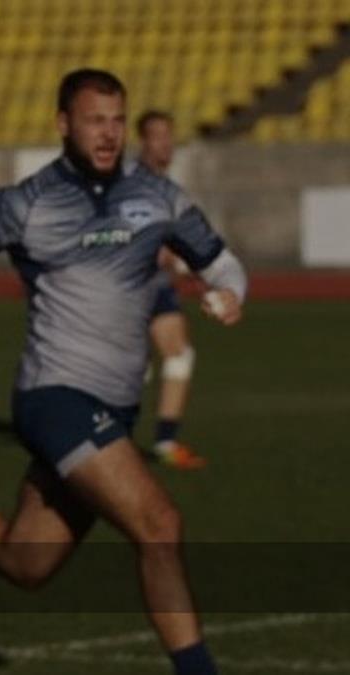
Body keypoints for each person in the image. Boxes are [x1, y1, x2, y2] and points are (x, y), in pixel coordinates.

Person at [0, 69, 247, 675]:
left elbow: (222, 263)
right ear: (64, 124)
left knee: (25, 560)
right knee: (159, 525)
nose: (108, 133)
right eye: (94, 121)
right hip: (54, 397)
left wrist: (230, 292)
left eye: (117, 120)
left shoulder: (159, 195)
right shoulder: (26, 202)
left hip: (116, 407)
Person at [137, 109, 205, 468]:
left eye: (169, 136)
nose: (166, 144)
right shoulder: (132, 183)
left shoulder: (166, 186)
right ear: (143, 141)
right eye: (158, 136)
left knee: (179, 354)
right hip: (129, 289)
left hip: (158, 286)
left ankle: (165, 442)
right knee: (133, 369)